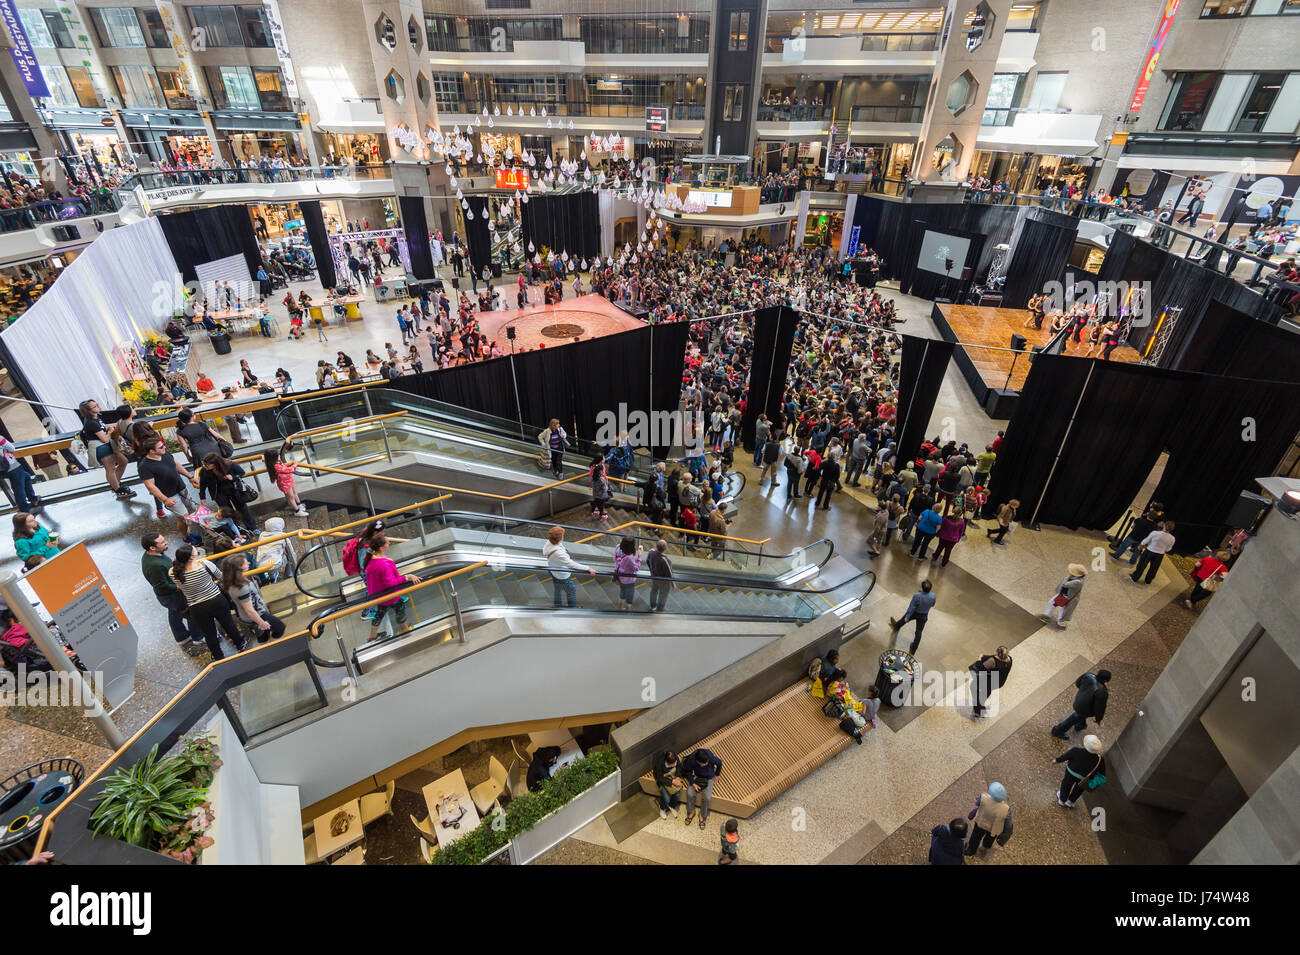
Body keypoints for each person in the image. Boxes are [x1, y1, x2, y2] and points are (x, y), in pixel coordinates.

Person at [169, 545, 244, 659]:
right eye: (196, 553)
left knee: (209, 633)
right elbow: (221, 577)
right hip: (216, 600)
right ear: (191, 557)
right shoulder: (204, 564)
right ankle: (240, 644)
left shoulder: (173, 572)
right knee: (228, 625)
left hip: (196, 607)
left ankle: (218, 655)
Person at [140, 533, 203, 656]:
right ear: (152, 548)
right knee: (191, 613)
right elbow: (161, 586)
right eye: (162, 542)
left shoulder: (154, 556)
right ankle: (198, 638)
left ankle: (182, 637)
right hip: (171, 596)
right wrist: (178, 587)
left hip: (167, 597)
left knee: (174, 613)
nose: (166, 543)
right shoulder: (155, 566)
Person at [363, 534, 420, 643]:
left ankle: (372, 638)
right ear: (381, 547)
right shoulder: (384, 564)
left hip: (380, 596)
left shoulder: (370, 559)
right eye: (387, 542)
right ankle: (405, 631)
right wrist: (407, 577)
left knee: (379, 614)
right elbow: (391, 584)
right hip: (391, 596)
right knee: (400, 612)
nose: (389, 543)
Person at [138, 439, 199, 536]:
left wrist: (190, 477)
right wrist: (165, 499)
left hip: (181, 488)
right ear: (152, 451)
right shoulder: (144, 466)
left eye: (163, 445)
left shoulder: (165, 454)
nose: (164, 448)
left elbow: (176, 465)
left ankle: (196, 529)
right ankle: (186, 536)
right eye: (161, 447)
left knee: (191, 509)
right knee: (183, 517)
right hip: (169, 495)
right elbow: (150, 486)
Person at [221, 554, 286, 644]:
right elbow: (250, 610)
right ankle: (272, 647)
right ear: (239, 568)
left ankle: (266, 645)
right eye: (245, 563)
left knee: (263, 637)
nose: (249, 563)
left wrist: (261, 603)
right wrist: (261, 623)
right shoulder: (241, 588)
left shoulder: (233, 581)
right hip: (257, 615)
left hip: (254, 614)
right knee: (280, 628)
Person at [77, 400, 134, 499]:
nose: (98, 407)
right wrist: (111, 432)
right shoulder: (91, 422)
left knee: (123, 461)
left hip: (104, 446)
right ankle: (118, 489)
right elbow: (104, 439)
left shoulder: (95, 418)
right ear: (89, 411)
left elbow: (102, 427)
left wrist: (111, 427)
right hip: (100, 447)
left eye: (97, 404)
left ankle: (115, 484)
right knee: (110, 468)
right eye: (95, 406)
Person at [199, 454, 258, 532]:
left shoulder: (230, 464)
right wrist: (202, 497)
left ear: (215, 463)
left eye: (206, 465)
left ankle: (252, 527)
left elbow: (241, 473)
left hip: (234, 490)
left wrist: (233, 477)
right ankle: (236, 530)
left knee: (242, 508)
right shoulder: (204, 471)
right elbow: (202, 484)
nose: (204, 466)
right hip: (218, 493)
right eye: (203, 464)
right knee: (227, 512)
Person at [543, 525, 594, 608]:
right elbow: (571, 564)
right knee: (571, 591)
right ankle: (572, 609)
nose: (563, 537)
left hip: (553, 571)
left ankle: (557, 605)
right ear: (559, 538)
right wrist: (588, 568)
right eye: (562, 536)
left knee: (557, 588)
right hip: (562, 575)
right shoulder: (558, 553)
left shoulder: (549, 542)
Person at [1051, 669, 1111, 738]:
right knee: (1075, 717)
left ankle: (1081, 725)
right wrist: (1098, 718)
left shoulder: (1088, 675)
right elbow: (1099, 707)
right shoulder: (1102, 692)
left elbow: (1078, 683)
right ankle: (1058, 730)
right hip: (1084, 709)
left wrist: (1084, 691)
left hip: (1079, 700)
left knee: (1080, 716)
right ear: (1106, 680)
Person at [1054, 734, 1105, 808]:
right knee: (1079, 789)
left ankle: (1062, 799)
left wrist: (1057, 760)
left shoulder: (1076, 751)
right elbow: (1102, 773)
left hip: (1070, 772)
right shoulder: (1100, 760)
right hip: (1084, 778)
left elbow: (1065, 756)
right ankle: (1070, 801)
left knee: (1066, 785)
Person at [965, 782, 1012, 856]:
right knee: (990, 839)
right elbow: (1008, 824)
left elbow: (977, 803)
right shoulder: (1006, 809)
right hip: (993, 828)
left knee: (975, 837)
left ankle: (971, 851)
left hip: (980, 823)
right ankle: (985, 847)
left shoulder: (983, 797)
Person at [890, 579, 936, 654]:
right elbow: (933, 604)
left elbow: (912, 607)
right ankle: (913, 649)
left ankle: (896, 627)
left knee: (902, 621)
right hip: (924, 615)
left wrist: (907, 617)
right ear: (930, 588)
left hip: (915, 613)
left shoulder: (917, 595)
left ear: (922, 587)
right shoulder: (933, 596)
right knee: (918, 632)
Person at [682, 747, 722, 830]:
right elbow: (688, 771)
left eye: (707, 763)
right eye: (704, 764)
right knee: (690, 793)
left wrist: (717, 774)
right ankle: (691, 811)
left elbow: (719, 763)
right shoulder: (692, 759)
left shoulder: (709, 756)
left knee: (707, 797)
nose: (706, 764)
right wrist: (693, 783)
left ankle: (702, 815)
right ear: (697, 761)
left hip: (709, 777)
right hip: (697, 776)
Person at [0, 435, 40, 513]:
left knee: (26, 476)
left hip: (2, 470)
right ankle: (25, 511)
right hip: (11, 466)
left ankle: (33, 499)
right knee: (18, 488)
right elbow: (12, 448)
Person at [263, 447, 308, 517]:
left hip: (289, 481)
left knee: (295, 493)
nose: (280, 456)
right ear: (273, 458)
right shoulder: (276, 466)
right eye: (278, 455)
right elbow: (289, 470)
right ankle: (297, 511)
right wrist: (295, 464)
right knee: (291, 497)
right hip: (285, 484)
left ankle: (299, 505)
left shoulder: (277, 462)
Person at [969, 645, 1012, 717]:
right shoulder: (1010, 659)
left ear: (997, 653)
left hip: (989, 681)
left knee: (973, 687)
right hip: (999, 682)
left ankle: (978, 711)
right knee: (986, 691)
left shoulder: (992, 661)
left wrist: (979, 658)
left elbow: (979, 667)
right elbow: (999, 668)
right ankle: (982, 702)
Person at [1044, 563, 1087, 629]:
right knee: (1052, 603)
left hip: (1067, 598)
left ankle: (1061, 624)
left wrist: (1067, 577)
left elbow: (1065, 584)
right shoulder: (1076, 578)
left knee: (1063, 611)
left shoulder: (1078, 582)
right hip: (1063, 595)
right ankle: (1047, 616)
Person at [612, 536, 643, 610]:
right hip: (629, 581)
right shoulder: (629, 558)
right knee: (629, 599)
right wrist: (639, 555)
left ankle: (619, 609)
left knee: (622, 593)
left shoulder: (618, 547)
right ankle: (627, 612)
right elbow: (636, 568)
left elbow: (615, 559)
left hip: (620, 576)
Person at [653, 750, 684, 819]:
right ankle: (662, 808)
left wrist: (678, 777)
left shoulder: (674, 756)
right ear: (668, 763)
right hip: (663, 779)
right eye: (674, 763)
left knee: (677, 794)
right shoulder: (659, 764)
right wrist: (672, 781)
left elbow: (679, 766)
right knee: (666, 798)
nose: (676, 762)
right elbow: (659, 778)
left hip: (672, 775)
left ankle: (672, 806)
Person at [645, 538, 674, 612]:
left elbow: (647, 561)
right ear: (665, 549)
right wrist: (673, 584)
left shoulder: (651, 552)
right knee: (663, 594)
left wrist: (651, 571)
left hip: (654, 577)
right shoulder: (665, 560)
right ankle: (660, 608)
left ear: (656, 546)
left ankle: (652, 605)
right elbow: (669, 573)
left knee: (654, 590)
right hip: (663, 580)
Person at [589, 453, 610, 522]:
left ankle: (593, 511)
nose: (604, 459)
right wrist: (606, 483)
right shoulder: (601, 480)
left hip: (595, 493)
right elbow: (605, 488)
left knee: (595, 501)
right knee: (601, 505)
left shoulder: (593, 477)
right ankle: (602, 515)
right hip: (601, 495)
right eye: (603, 458)